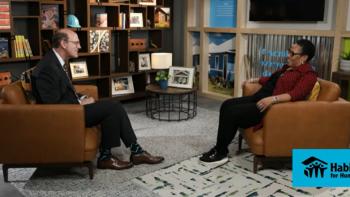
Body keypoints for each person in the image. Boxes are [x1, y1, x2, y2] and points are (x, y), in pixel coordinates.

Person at [31, 29, 164, 170]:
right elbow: (52, 107)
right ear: (63, 43)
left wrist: (81, 97)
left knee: (112, 109)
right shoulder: (47, 68)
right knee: (113, 107)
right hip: (65, 116)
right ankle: (132, 153)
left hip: (71, 110)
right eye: (76, 43)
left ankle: (113, 156)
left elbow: (63, 91)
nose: (80, 46)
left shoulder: (56, 61)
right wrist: (79, 102)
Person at [199, 39, 318, 164]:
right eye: (289, 51)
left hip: (269, 107)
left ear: (304, 57)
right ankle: (219, 147)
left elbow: (295, 94)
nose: (288, 55)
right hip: (260, 97)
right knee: (227, 104)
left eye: (292, 54)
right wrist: (254, 80)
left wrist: (273, 99)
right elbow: (272, 79)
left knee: (232, 112)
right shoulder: (289, 67)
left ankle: (221, 153)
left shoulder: (309, 75)